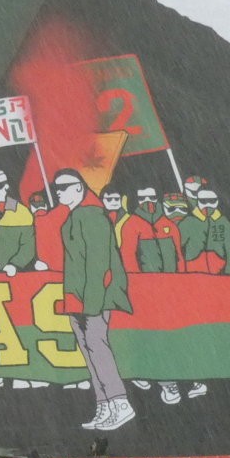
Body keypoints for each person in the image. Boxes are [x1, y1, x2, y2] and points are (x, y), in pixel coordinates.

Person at [54, 169, 134, 431]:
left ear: (79, 187)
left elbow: (99, 264)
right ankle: (105, 404)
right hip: (78, 296)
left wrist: (91, 302)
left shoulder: (92, 215)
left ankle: (120, 403)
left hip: (94, 297)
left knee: (98, 348)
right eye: (57, 188)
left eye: (63, 187)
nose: (58, 192)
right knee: (89, 352)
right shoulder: (75, 215)